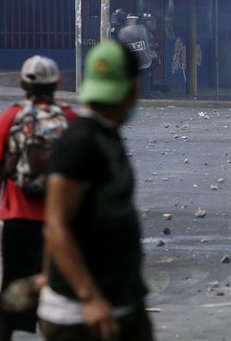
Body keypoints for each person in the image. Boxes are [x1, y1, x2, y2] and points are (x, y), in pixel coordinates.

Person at [38, 41, 154, 341]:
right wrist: (89, 297)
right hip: (82, 317)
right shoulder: (81, 142)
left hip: (119, 302)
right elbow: (56, 224)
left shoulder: (105, 135)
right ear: (133, 87)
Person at [0, 55, 76, 341]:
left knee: (10, 297)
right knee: (60, 300)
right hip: (58, 226)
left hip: (16, 221)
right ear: (58, 83)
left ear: (23, 83)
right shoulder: (71, 119)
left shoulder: (10, 117)